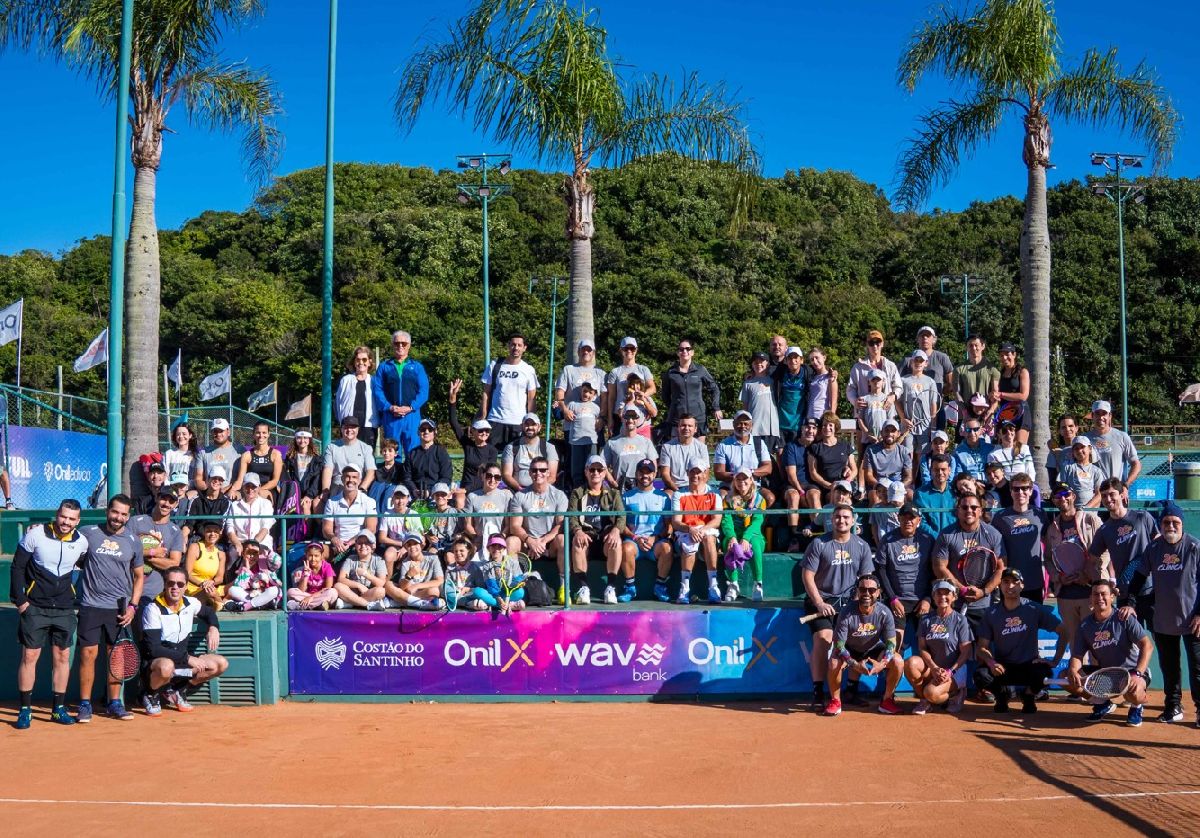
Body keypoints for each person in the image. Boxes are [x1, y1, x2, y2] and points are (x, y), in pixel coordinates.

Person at [1116, 502, 1200, 725]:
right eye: (1166, 522)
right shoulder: (1153, 549)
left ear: (1182, 524)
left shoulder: (1194, 547)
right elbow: (1138, 579)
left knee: (1197, 667)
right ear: (1160, 524)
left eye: (1175, 522)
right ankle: (1173, 706)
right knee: (1169, 666)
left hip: (1193, 620)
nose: (1171, 526)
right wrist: (1131, 602)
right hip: (1163, 619)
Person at [11, 499, 87, 728]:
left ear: (78, 521)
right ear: (57, 514)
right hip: (35, 606)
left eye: (72, 519)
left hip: (64, 608)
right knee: (29, 657)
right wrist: (21, 601)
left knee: (62, 657)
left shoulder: (81, 542)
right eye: (63, 516)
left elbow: (81, 566)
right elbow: (17, 567)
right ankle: (25, 710)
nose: (66, 522)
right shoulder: (35, 535)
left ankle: (58, 709)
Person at [74, 494, 145, 723]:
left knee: (116, 657)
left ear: (128, 516)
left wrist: (133, 605)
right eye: (115, 512)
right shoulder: (87, 533)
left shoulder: (133, 541)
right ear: (107, 511)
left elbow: (139, 576)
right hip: (91, 605)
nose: (118, 517)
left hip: (119, 609)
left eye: (124, 514)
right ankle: (84, 704)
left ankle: (115, 703)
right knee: (87, 654)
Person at [801, 504, 875, 711]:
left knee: (859, 638)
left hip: (849, 604)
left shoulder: (862, 546)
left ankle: (851, 689)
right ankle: (817, 692)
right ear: (831, 520)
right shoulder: (818, 543)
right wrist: (819, 603)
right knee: (824, 639)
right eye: (837, 517)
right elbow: (807, 576)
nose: (841, 521)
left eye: (845, 517)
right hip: (821, 601)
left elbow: (866, 579)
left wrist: (861, 602)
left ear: (853, 521)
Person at [140, 566, 229, 716]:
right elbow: (153, 648)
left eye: (180, 584)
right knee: (166, 666)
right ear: (165, 584)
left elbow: (208, 612)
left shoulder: (190, 603)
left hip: (181, 661)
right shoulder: (153, 609)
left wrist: (214, 627)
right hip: (157, 664)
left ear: (186, 586)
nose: (175, 587)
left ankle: (177, 691)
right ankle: (150, 693)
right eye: (171, 583)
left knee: (220, 664)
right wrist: (188, 658)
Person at [1068, 580, 1154, 726]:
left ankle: (1136, 706)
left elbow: (1147, 645)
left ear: (1112, 597)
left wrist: (1138, 673)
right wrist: (1073, 670)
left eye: (1104, 594)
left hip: (1132, 672)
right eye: (1096, 594)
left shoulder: (1124, 618)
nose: (1099, 598)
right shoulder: (1085, 626)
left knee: (1134, 692)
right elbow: (1077, 655)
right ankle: (1102, 704)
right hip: (1106, 675)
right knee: (1066, 677)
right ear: (1091, 598)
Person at [974, 568, 1060, 713]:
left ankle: (1028, 696)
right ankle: (1001, 696)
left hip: (1029, 665)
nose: (1010, 586)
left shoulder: (1033, 608)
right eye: (1006, 582)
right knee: (981, 675)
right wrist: (991, 662)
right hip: (1003, 667)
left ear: (1022, 585)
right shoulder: (991, 613)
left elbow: (1063, 631)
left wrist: (1055, 660)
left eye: (1015, 582)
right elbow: (981, 648)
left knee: (1044, 672)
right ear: (1000, 586)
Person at [1044, 483, 1105, 670]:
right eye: (1057, 496)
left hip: (1091, 592)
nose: (1062, 498)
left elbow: (1105, 550)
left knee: (1096, 641)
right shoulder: (1052, 528)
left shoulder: (1091, 519)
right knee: (1075, 643)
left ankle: (1098, 689)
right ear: (1054, 501)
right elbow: (1048, 560)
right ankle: (1080, 685)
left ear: (1073, 497)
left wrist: (1089, 574)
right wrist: (1057, 577)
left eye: (1065, 494)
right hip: (1066, 595)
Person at [825, 574, 903, 716]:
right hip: (850, 648)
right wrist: (854, 664)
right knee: (834, 661)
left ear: (878, 592)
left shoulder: (885, 613)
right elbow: (839, 645)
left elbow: (891, 644)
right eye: (863, 589)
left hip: (873, 648)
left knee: (897, 661)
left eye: (872, 590)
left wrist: (882, 664)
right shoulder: (846, 612)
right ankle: (835, 701)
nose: (867, 593)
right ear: (857, 591)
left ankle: (886, 701)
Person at [931, 493, 1006, 643]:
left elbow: (1001, 568)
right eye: (964, 507)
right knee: (954, 650)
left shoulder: (993, 534)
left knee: (982, 652)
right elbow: (939, 567)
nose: (969, 510)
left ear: (980, 511)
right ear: (958, 510)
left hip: (983, 604)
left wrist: (984, 591)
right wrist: (961, 589)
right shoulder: (946, 535)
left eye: (974, 507)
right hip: (954, 604)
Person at [1089, 477, 1158, 625]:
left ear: (1121, 495)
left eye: (1112, 494)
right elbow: (1092, 561)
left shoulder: (1142, 517)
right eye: (1104, 496)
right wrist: (1105, 585)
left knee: (1160, 639)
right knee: (1129, 644)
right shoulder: (1104, 529)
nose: (1108, 499)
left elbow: (1159, 544)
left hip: (1150, 590)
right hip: (1124, 594)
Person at [905, 580, 973, 714]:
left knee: (932, 693)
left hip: (954, 671)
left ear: (954, 596)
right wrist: (934, 668)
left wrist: (950, 671)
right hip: (934, 669)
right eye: (938, 593)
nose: (942, 597)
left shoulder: (961, 620)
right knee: (910, 663)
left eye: (947, 593)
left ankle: (956, 693)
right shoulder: (926, 620)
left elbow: (966, 651)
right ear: (933, 596)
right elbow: (922, 648)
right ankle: (924, 701)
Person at [570, 455, 630, 604]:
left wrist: (616, 530)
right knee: (577, 542)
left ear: (604, 473)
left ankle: (611, 587)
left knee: (616, 542)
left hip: (605, 536)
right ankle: (583, 588)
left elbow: (622, 516)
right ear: (586, 472)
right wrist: (578, 531)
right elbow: (572, 517)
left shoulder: (613, 494)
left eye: (599, 470)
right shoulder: (577, 493)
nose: (595, 473)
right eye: (592, 469)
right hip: (587, 536)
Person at [874, 503, 934, 651]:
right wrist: (893, 598)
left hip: (922, 599)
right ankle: (891, 672)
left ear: (918, 521)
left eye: (912, 518)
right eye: (904, 517)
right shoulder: (888, 540)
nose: (908, 521)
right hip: (897, 599)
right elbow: (881, 571)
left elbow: (934, 572)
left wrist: (927, 599)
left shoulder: (928, 539)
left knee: (931, 644)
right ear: (898, 518)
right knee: (894, 646)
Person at [506, 456, 568, 582]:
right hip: (527, 543)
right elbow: (515, 526)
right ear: (529, 473)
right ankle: (515, 583)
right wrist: (530, 541)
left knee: (562, 539)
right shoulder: (519, 496)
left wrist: (542, 541)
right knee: (511, 541)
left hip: (549, 544)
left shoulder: (559, 495)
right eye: (534, 470)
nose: (538, 473)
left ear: (548, 473)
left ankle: (563, 587)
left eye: (542, 470)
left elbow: (560, 524)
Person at [555, 337, 608, 479]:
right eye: (583, 349)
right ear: (578, 351)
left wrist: (602, 418)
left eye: (589, 349)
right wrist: (564, 409)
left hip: (593, 426)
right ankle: (573, 493)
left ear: (593, 353)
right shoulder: (569, 369)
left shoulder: (600, 373)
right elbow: (559, 392)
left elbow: (604, 398)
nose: (586, 352)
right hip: (572, 425)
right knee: (573, 464)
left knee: (593, 463)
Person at [671, 464, 724, 604]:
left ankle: (713, 586)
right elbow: (676, 522)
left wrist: (701, 530)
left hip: (706, 531)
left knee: (709, 538)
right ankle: (684, 588)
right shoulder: (679, 494)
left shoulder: (715, 493)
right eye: (692, 472)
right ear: (687, 473)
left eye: (699, 472)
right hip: (686, 532)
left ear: (706, 474)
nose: (695, 475)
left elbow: (716, 520)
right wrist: (690, 529)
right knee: (689, 541)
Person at [623, 459, 675, 603]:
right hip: (634, 542)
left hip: (656, 543)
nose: (645, 476)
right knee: (625, 548)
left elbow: (668, 526)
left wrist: (655, 538)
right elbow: (621, 525)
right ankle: (629, 588)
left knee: (667, 548)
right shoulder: (626, 497)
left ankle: (660, 586)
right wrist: (635, 538)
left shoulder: (663, 497)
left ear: (654, 474)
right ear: (636, 474)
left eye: (649, 472)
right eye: (641, 472)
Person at [990, 473, 1048, 602]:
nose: (1020, 492)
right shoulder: (1000, 517)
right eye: (1016, 489)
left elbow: (1049, 542)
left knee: (1034, 619)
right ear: (1011, 492)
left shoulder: (1040, 515)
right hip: (1010, 581)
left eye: (1025, 488)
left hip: (1034, 580)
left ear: (1031, 491)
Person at [373, 330, 430, 455]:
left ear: (409, 345)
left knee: (413, 453)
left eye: (403, 343)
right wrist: (389, 407)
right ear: (392, 345)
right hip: (391, 417)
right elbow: (377, 390)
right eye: (397, 343)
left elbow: (424, 391)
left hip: (412, 416)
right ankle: (394, 475)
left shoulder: (417, 367)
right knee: (392, 453)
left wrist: (411, 407)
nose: (400, 346)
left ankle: (412, 475)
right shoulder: (384, 367)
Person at [480, 333, 539, 452]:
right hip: (495, 421)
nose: (516, 348)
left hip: (518, 423)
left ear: (524, 348)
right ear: (508, 346)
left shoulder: (528, 370)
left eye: (519, 345)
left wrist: (531, 422)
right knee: (490, 462)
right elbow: (486, 393)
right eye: (513, 344)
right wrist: (483, 416)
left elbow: (532, 398)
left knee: (515, 461)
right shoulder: (495, 365)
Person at [129, 490, 185, 605]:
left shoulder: (175, 531)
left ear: (175, 504)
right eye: (164, 499)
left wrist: (147, 556)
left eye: (171, 501)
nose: (167, 504)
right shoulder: (136, 521)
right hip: (127, 586)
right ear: (157, 498)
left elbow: (174, 563)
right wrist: (153, 551)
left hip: (152, 592)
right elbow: (126, 551)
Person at [448, 378, 499, 502]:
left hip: (483, 489)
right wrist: (452, 401)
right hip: (465, 489)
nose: (484, 433)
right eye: (481, 430)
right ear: (474, 431)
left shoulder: (492, 451)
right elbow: (454, 423)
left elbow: (488, 476)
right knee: (459, 500)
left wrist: (466, 490)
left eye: (487, 431)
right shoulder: (468, 445)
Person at [721, 468, 768, 602]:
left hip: (754, 534)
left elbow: (757, 522)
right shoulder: (728, 499)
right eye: (738, 479)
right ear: (734, 481)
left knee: (754, 545)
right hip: (735, 534)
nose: (742, 482)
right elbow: (726, 521)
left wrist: (746, 538)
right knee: (729, 545)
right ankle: (733, 584)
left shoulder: (760, 500)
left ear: (751, 480)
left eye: (745, 479)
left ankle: (758, 583)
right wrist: (732, 537)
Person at [660, 339, 722, 440]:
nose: (684, 351)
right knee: (677, 452)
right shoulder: (670, 372)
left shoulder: (700, 370)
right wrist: (675, 407)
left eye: (687, 349)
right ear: (677, 353)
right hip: (677, 419)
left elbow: (714, 388)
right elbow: (665, 395)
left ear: (692, 352)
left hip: (698, 417)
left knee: (699, 452)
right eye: (681, 349)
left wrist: (716, 407)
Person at [713, 410, 774, 501]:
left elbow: (768, 468)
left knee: (770, 498)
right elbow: (718, 473)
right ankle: (727, 516)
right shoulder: (723, 445)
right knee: (721, 497)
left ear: (751, 425)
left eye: (746, 424)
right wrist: (738, 476)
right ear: (733, 424)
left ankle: (759, 516)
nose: (743, 426)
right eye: (739, 423)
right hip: (730, 485)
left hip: (754, 485)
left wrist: (748, 473)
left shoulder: (760, 443)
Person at [322, 464, 379, 560]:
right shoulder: (331, 502)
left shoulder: (369, 501)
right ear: (342, 479)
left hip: (360, 545)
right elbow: (326, 529)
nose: (350, 480)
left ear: (360, 480)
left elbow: (371, 529)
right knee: (318, 552)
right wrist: (335, 539)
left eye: (354, 477)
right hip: (337, 546)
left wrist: (350, 542)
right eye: (347, 476)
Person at [898, 350, 940, 477]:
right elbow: (897, 401)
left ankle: (918, 482)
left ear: (926, 363)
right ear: (911, 362)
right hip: (908, 426)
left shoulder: (930, 381)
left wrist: (932, 427)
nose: (918, 363)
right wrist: (903, 419)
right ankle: (907, 482)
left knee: (921, 456)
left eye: (921, 360)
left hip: (925, 426)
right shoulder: (903, 380)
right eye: (916, 360)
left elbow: (933, 404)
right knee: (907, 455)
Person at [1083, 399, 1142, 487]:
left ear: (1110, 416)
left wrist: (1126, 485)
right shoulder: (1085, 439)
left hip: (1115, 493)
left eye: (1104, 413)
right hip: (1092, 494)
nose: (1101, 417)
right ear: (1092, 416)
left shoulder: (1121, 436)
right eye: (1097, 413)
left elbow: (1136, 464)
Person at [901, 326, 954, 420]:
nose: (925, 338)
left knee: (937, 433)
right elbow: (897, 385)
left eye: (928, 336)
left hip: (937, 407)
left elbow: (951, 383)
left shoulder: (942, 357)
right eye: (922, 336)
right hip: (912, 412)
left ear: (934, 339)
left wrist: (939, 393)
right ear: (917, 339)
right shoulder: (908, 359)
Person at [782, 418, 821, 546]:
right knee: (794, 496)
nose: (810, 431)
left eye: (814, 428)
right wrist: (800, 491)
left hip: (811, 484)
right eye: (807, 427)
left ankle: (815, 534)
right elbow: (791, 475)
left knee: (814, 496)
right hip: (793, 484)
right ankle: (793, 537)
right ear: (802, 429)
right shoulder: (791, 447)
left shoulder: (818, 446)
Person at [605, 336, 657, 432]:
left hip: (640, 413)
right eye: (626, 348)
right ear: (621, 350)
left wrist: (642, 396)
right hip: (620, 415)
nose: (629, 351)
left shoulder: (643, 369)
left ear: (636, 350)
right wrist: (610, 419)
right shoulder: (615, 372)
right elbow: (611, 397)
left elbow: (652, 388)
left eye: (632, 348)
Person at [603, 406, 659, 489]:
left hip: (641, 486)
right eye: (627, 417)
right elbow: (602, 465)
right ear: (622, 418)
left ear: (638, 419)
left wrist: (648, 484)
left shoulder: (646, 442)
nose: (630, 420)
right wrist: (612, 481)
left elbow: (654, 467)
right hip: (620, 487)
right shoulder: (612, 442)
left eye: (634, 417)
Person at [384, 533, 444, 609]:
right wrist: (409, 575)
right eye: (409, 545)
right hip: (409, 592)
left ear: (421, 546)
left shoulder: (433, 558)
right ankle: (420, 603)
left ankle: (399, 602)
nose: (412, 547)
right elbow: (403, 587)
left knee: (434, 591)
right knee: (388, 585)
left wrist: (417, 586)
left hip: (422, 592)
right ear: (405, 547)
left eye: (415, 544)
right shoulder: (406, 562)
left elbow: (439, 580)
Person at [501, 413, 559, 490]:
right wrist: (520, 489)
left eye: (533, 424)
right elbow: (506, 474)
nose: (530, 427)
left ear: (539, 427)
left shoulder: (549, 447)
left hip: (542, 490)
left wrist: (536, 490)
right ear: (522, 426)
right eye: (527, 424)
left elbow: (552, 477)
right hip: (517, 490)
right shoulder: (511, 447)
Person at [321, 416, 376, 497]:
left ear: (358, 429)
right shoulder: (331, 447)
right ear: (341, 429)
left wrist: (362, 489)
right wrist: (325, 491)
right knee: (317, 503)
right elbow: (327, 470)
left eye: (353, 427)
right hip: (338, 487)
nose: (349, 430)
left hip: (357, 487)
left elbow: (370, 472)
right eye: (346, 427)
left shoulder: (366, 448)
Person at [337, 345, 380, 447]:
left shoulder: (374, 381)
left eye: (364, 359)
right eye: (358, 359)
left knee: (366, 459)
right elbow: (338, 404)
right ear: (354, 362)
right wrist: (342, 422)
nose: (361, 362)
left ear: (369, 362)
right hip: (349, 426)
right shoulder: (346, 380)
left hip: (368, 427)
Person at [473, 534, 528, 614]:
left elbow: (517, 580)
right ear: (488, 548)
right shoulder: (487, 566)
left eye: (500, 546)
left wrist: (519, 583)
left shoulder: (513, 562)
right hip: (495, 596)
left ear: (504, 548)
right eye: (493, 546)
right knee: (477, 591)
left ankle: (492, 605)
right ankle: (509, 605)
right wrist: (501, 602)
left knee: (520, 592)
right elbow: (492, 587)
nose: (496, 549)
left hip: (508, 594)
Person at [463, 465, 514, 550]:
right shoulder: (472, 496)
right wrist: (477, 538)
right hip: (479, 540)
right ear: (483, 476)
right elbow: (468, 524)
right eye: (489, 476)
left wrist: (499, 539)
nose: (492, 480)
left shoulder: (506, 496)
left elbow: (508, 525)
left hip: (499, 541)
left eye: (497, 477)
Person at [334, 530, 388, 609]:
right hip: (353, 591)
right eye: (360, 543)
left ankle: (351, 603)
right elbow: (341, 579)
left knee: (381, 591)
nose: (363, 546)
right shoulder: (350, 559)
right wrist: (358, 585)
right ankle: (368, 604)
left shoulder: (379, 560)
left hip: (369, 592)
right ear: (355, 545)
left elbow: (381, 583)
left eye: (367, 543)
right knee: (338, 586)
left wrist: (365, 574)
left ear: (373, 545)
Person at [224, 539, 282, 612]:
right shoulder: (243, 568)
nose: (251, 556)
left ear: (259, 553)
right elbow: (240, 585)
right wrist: (247, 568)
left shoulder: (265, 562)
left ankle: (246, 606)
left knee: (275, 590)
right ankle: (261, 604)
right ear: (243, 554)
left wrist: (267, 550)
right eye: (249, 553)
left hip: (267, 593)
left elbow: (278, 562)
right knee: (233, 590)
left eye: (254, 553)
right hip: (251, 595)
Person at [225, 472, 276, 555]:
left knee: (275, 561)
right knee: (233, 554)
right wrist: (237, 543)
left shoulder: (266, 504)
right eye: (247, 486)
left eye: (253, 487)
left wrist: (253, 545)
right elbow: (230, 527)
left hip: (261, 543)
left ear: (259, 487)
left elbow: (266, 527)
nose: (250, 490)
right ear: (243, 487)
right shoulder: (234, 505)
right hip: (240, 543)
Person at [565, 380, 603, 489]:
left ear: (594, 395)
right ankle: (577, 491)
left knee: (592, 468)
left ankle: (591, 490)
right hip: (576, 442)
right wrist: (558, 408)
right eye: (585, 391)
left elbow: (600, 423)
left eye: (590, 392)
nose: (586, 394)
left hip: (591, 442)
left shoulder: (596, 408)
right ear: (581, 391)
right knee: (576, 470)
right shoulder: (572, 404)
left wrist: (601, 420)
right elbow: (563, 415)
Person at [658, 414, 709, 494]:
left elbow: (706, 473)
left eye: (690, 426)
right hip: (674, 488)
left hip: (696, 486)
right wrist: (677, 490)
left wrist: (697, 489)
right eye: (683, 425)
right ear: (678, 427)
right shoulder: (667, 447)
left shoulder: (702, 447)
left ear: (695, 429)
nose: (686, 428)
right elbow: (665, 473)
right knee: (668, 496)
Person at [991, 342, 1031, 444]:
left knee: (1019, 447)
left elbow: (1023, 396)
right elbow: (996, 396)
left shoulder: (1023, 372)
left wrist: (1001, 394)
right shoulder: (999, 374)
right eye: (1001, 355)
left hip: (1021, 412)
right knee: (1004, 446)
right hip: (1005, 414)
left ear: (1014, 355)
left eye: (1007, 354)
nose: (1004, 358)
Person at [740, 351, 781, 451]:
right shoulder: (747, 383)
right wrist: (745, 424)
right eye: (755, 362)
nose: (759, 364)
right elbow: (745, 406)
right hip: (754, 428)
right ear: (752, 365)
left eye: (762, 361)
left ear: (767, 364)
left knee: (770, 457)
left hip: (771, 428)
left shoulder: (774, 380)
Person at [952, 335, 999, 420]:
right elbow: (956, 394)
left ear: (983, 346)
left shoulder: (992, 369)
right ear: (966, 347)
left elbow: (996, 394)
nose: (973, 348)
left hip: (986, 417)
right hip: (965, 418)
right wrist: (965, 412)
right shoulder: (958, 369)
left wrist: (990, 411)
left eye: (976, 345)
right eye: (970, 345)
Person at [183, 464, 232, 545]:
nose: (217, 481)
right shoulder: (196, 500)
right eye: (214, 478)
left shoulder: (226, 502)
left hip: (216, 539)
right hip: (198, 537)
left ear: (222, 482)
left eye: (220, 479)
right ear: (208, 479)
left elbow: (221, 527)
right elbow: (189, 524)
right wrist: (182, 538)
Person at [405, 418, 452, 499]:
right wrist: (414, 490)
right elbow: (406, 477)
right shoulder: (412, 453)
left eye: (430, 429)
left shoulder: (441, 452)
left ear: (434, 432)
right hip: (415, 493)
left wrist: (431, 491)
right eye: (423, 429)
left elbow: (446, 477)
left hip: (436, 493)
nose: (426, 432)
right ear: (418, 432)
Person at [185, 520, 227, 610]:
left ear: (220, 533)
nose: (212, 534)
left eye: (215, 531)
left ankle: (219, 607)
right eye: (209, 531)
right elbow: (187, 573)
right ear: (204, 532)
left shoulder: (221, 554)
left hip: (211, 588)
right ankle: (221, 607)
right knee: (212, 595)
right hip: (192, 589)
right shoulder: (195, 547)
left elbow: (220, 578)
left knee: (225, 590)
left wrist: (212, 582)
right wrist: (202, 584)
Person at [236, 421, 283, 501]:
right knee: (234, 496)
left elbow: (275, 481)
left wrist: (258, 490)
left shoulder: (276, 454)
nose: (261, 436)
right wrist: (232, 490)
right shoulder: (246, 455)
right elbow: (240, 480)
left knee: (261, 494)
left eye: (264, 433)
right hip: (249, 489)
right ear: (253, 435)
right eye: (258, 433)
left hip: (268, 489)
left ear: (268, 434)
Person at [281, 430, 322, 518]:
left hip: (310, 494)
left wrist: (309, 496)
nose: (302, 440)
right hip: (293, 494)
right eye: (299, 438)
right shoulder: (290, 458)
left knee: (305, 506)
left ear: (309, 440)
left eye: (305, 438)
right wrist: (293, 495)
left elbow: (317, 480)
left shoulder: (317, 459)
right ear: (295, 439)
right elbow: (286, 478)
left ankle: (306, 532)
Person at [287, 542, 339, 610]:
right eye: (310, 555)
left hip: (320, 595)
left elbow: (327, 587)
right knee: (291, 592)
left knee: (333, 592)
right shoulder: (305, 568)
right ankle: (318, 606)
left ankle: (301, 606)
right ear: (306, 556)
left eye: (316, 556)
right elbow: (301, 590)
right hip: (307, 595)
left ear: (321, 556)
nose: (313, 559)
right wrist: (306, 575)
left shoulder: (327, 567)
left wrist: (311, 598)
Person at [194, 418, 240, 495]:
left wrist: (228, 489)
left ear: (228, 432)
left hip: (231, 492)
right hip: (208, 493)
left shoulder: (239, 451)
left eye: (221, 431)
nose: (218, 434)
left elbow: (241, 478)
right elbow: (198, 478)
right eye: (215, 431)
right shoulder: (203, 452)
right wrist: (209, 490)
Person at [913, 454, 954, 539]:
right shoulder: (920, 494)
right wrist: (938, 538)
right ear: (930, 470)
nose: (940, 473)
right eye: (936, 469)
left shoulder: (956, 492)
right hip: (929, 541)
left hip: (954, 540)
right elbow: (920, 521)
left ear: (949, 471)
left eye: (943, 469)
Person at [863, 420, 910, 492]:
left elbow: (909, 476)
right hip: (878, 486)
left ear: (898, 433)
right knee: (874, 498)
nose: (890, 433)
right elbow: (868, 475)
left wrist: (900, 487)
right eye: (887, 430)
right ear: (881, 433)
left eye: (893, 431)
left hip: (897, 485)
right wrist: (879, 486)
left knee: (910, 494)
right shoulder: (870, 450)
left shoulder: (904, 451)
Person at [775, 346, 808, 445]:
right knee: (780, 454)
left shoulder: (808, 374)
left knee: (795, 453)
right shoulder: (779, 374)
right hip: (780, 423)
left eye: (796, 358)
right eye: (790, 358)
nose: (793, 361)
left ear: (801, 360)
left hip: (798, 424)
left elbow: (822, 371)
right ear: (785, 360)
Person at [1059, 436, 1103, 507]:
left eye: (1082, 447)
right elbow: (1061, 485)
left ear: (1090, 449)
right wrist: (1066, 489)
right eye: (1076, 448)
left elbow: (1099, 494)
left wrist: (1085, 508)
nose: (1079, 451)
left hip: (1090, 512)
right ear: (1073, 452)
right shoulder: (1067, 468)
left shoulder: (1096, 471)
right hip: (1071, 511)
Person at [950, 417, 994, 481]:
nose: (972, 433)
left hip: (991, 483)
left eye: (975, 429)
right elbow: (959, 476)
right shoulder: (958, 453)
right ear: (964, 432)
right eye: (968, 430)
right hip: (970, 485)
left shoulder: (990, 449)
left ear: (980, 431)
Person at [804, 347, 838, 424]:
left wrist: (830, 419)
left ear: (824, 358)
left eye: (817, 358)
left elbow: (833, 402)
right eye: (812, 359)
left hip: (822, 417)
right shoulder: (811, 377)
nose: (815, 362)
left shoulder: (830, 377)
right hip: (809, 417)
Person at [1047, 413, 1081, 488]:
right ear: (1059, 431)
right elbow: (1053, 481)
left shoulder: (1085, 449)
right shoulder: (1054, 452)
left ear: (1076, 428)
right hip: (1064, 495)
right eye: (1063, 427)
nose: (1067, 429)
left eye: (1070, 426)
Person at [163, 422, 198, 489]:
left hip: (189, 491)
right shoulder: (169, 454)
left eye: (184, 434)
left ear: (190, 435)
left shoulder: (196, 455)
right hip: (172, 491)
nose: (181, 436)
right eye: (178, 434)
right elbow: (166, 475)